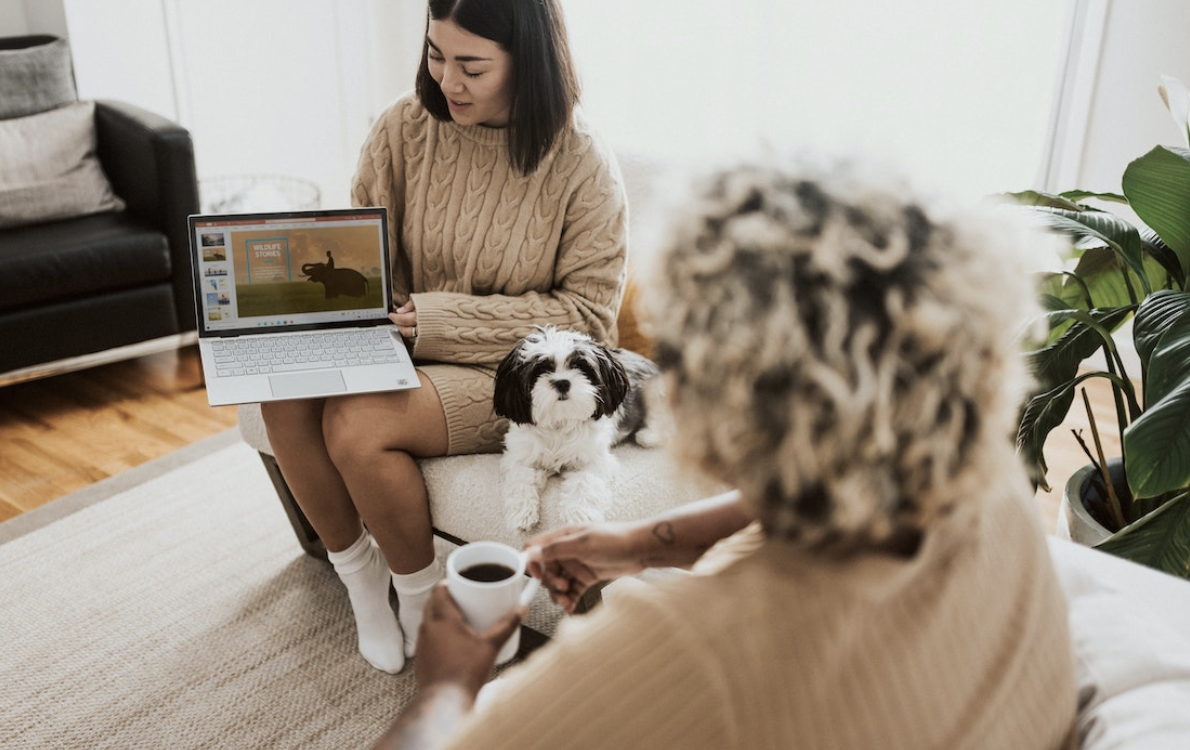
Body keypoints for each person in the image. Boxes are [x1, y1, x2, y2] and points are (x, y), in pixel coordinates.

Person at [373, 155, 1079, 749]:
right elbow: (822, 490)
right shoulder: (982, 473)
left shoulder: (689, 650)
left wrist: (447, 684)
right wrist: (645, 542)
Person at [260, 0, 627, 675]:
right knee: (279, 394)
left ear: (529, 62)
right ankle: (360, 578)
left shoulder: (582, 162)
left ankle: (421, 598)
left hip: (508, 375)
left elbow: (589, 320)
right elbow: (367, 249)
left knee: (356, 423)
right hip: (402, 340)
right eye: (435, 54)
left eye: (472, 65)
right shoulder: (404, 125)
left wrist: (438, 320)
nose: (447, 80)